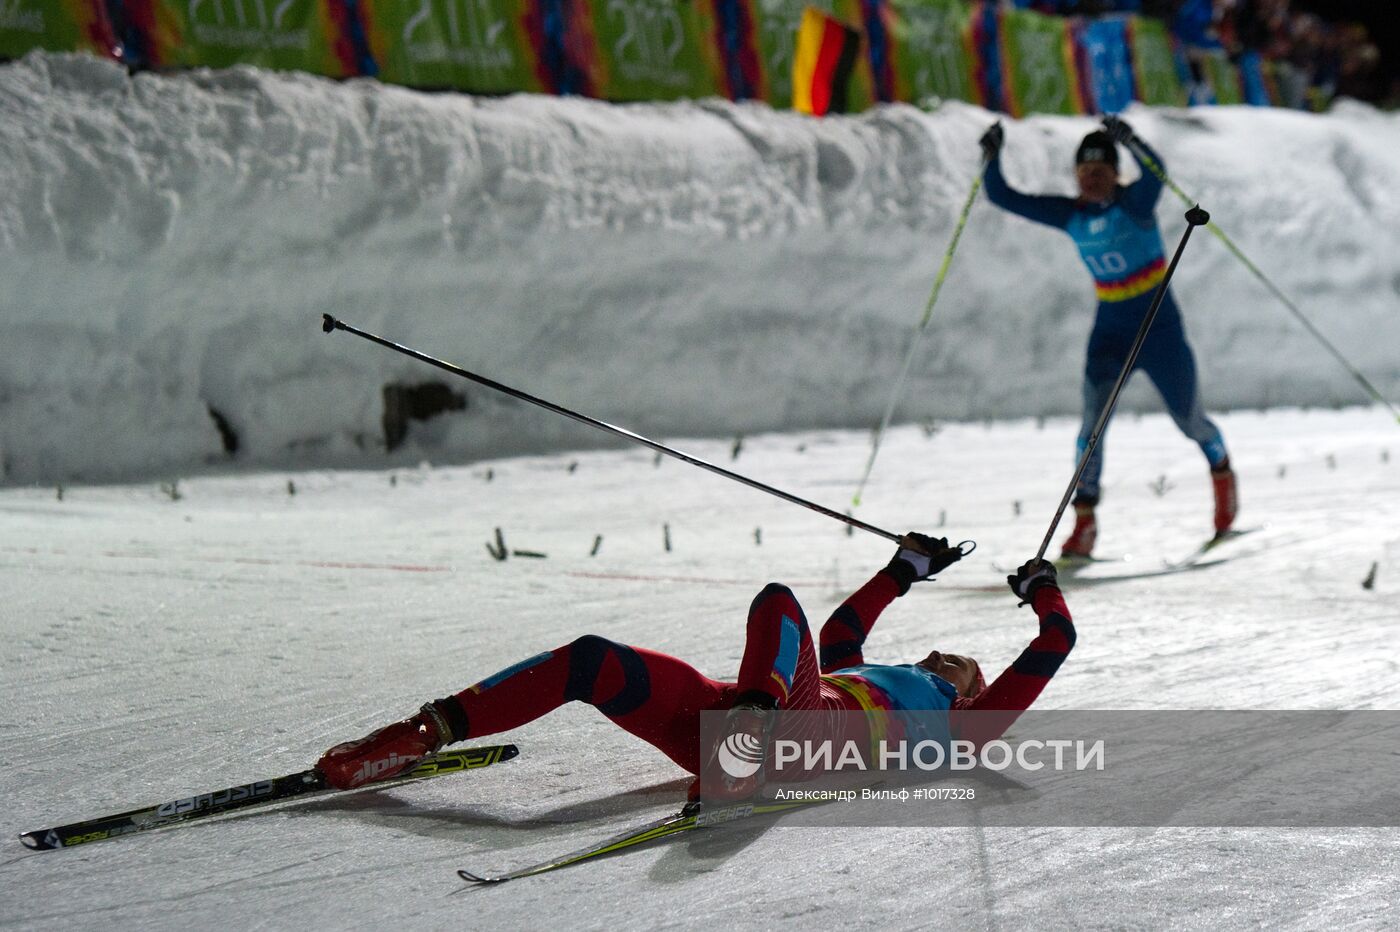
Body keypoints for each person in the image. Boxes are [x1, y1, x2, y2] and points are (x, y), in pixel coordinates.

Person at [315, 536, 1075, 798]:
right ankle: (418, 734)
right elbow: (846, 627)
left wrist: (1042, 590)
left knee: (779, 602)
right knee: (591, 661)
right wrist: (905, 568)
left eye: (966, 664)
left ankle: (741, 746)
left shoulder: (967, 725)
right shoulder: (866, 670)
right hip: (744, 723)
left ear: (972, 688)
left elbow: (1053, 645)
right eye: (944, 651)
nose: (950, 656)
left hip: (808, 739)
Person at [979, 116, 1237, 558]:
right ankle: (1084, 522)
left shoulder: (1135, 204)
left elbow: (1158, 171)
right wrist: (991, 155)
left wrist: (1133, 141)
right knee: (1090, 430)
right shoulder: (1070, 213)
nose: (1091, 181)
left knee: (1189, 419)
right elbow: (1002, 196)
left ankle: (1222, 471)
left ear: (1116, 175)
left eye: (1100, 172)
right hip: (1111, 334)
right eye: (1084, 173)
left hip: (1160, 331)